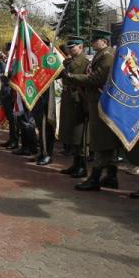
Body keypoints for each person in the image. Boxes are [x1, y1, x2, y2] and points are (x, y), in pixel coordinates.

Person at [63, 29, 121, 191]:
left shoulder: (107, 56)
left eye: (96, 40)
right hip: (95, 101)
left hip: (102, 102)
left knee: (101, 141)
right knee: (103, 140)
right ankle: (111, 176)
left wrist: (72, 77)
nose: (93, 42)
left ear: (105, 41)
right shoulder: (101, 55)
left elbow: (97, 78)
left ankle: (95, 178)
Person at [58, 36, 89, 178]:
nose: (70, 49)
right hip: (68, 99)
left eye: (73, 47)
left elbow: (86, 80)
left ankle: (82, 166)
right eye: (69, 47)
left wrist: (68, 74)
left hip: (78, 100)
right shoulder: (68, 62)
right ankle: (75, 164)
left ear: (81, 47)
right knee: (71, 133)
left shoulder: (85, 62)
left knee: (79, 135)